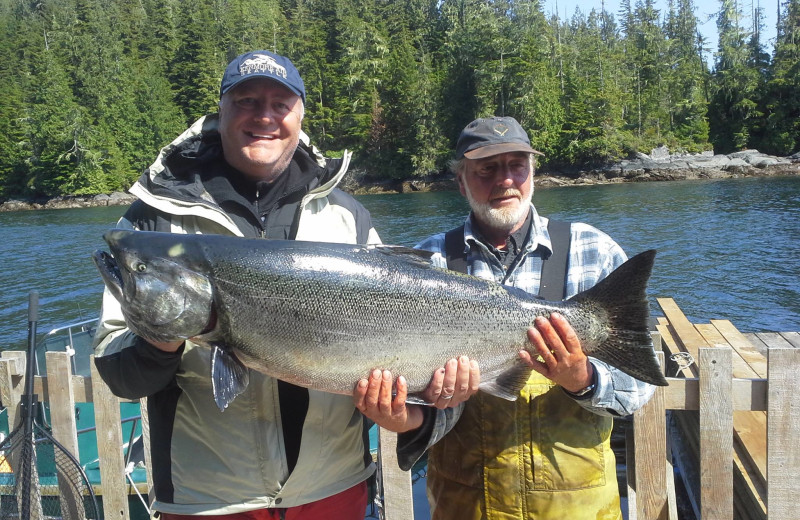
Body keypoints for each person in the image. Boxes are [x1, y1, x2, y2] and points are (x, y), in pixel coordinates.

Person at [93, 50, 475, 519]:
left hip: (335, 489)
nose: (265, 116)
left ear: (300, 115)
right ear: (221, 111)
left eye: (280, 103)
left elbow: (408, 352)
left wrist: (425, 398)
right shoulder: (154, 223)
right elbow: (121, 376)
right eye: (247, 101)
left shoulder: (347, 216)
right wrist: (159, 340)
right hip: (208, 501)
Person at [392, 116, 655, 519]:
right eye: (487, 168)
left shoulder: (593, 249)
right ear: (461, 182)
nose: (506, 180)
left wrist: (582, 380)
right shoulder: (426, 263)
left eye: (517, 165)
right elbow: (423, 405)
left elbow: (637, 391)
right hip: (465, 507)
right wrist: (420, 408)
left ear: (533, 173)